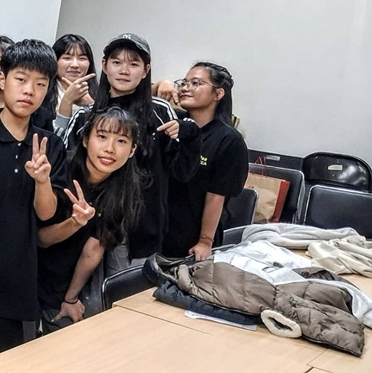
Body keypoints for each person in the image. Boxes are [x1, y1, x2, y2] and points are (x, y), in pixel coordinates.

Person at [61, 33, 201, 264]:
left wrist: (190, 136)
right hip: (85, 227)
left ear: (146, 70)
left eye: (134, 64)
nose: (124, 71)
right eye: (116, 62)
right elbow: (67, 170)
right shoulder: (85, 116)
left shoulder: (160, 111)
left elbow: (181, 172)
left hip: (140, 232)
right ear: (104, 65)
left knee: (127, 285)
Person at [0, 39, 67, 340]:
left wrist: (42, 181)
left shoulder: (49, 144)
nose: (29, 91)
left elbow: (45, 215)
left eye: (40, 84)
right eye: (21, 79)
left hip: (22, 279)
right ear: (2, 79)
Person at [37, 107, 144, 334]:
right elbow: (40, 239)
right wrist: (74, 223)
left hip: (68, 281)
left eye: (121, 141)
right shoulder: (61, 170)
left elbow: (94, 248)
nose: (110, 148)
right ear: (85, 140)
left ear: (132, 150)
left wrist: (71, 298)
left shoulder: (125, 188)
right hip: (33, 272)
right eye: (102, 136)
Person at [163, 62, 248, 259]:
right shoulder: (173, 124)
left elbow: (216, 196)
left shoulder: (228, 140)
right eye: (184, 83)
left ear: (218, 94)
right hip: (161, 227)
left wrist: (205, 241)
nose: (185, 88)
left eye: (196, 83)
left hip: (191, 236)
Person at [51, 34, 99, 136]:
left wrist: (91, 104)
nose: (75, 65)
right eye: (67, 58)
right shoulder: (43, 92)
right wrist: (67, 101)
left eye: (82, 58)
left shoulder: (100, 93)